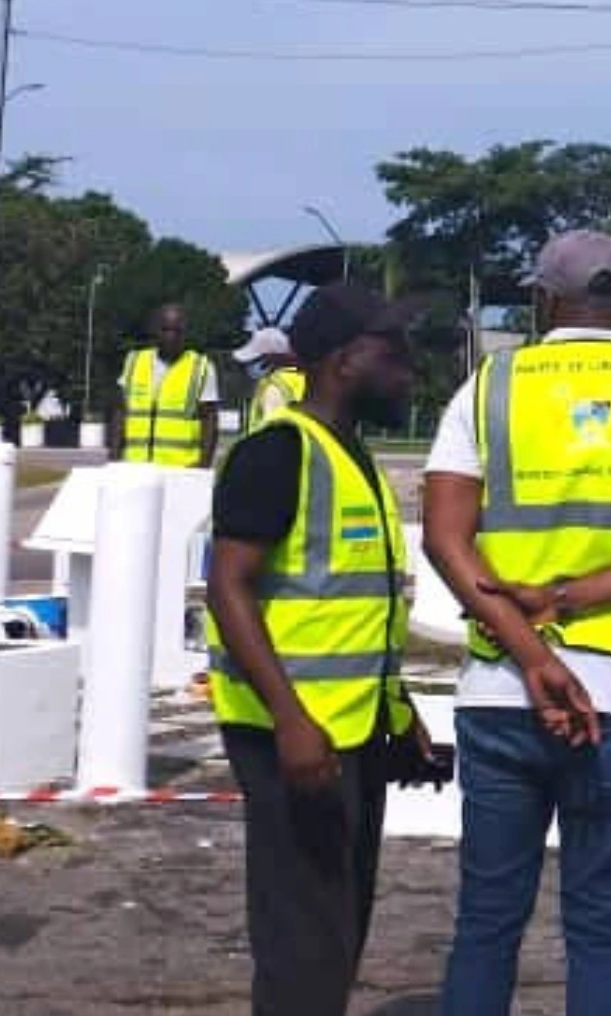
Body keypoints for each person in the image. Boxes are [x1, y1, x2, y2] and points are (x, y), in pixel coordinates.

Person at [423, 230, 611, 1015]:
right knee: (602, 927)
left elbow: (443, 537)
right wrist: (569, 602)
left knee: (486, 923)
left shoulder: (490, 386)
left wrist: (530, 649)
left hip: (498, 689)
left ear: (541, 295)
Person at [205, 281, 432, 1016]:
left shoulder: (352, 458)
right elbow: (229, 589)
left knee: (336, 928)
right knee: (302, 936)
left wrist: (399, 714)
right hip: (292, 738)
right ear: (342, 360)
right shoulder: (279, 453)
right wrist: (292, 720)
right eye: (392, 353)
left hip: (350, 733)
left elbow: (356, 613)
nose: (408, 369)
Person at [111, 304, 219, 468]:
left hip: (181, 470)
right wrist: (114, 458)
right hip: (135, 467)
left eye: (177, 331)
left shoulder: (202, 367)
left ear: (185, 333)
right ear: (155, 330)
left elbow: (210, 420)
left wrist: (203, 465)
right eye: (165, 329)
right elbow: (120, 412)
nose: (171, 336)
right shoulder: (134, 361)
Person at [236, 326, 307, 434]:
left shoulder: (274, 387)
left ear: (272, 357)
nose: (249, 365)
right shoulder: (304, 378)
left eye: (256, 359)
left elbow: (270, 430)